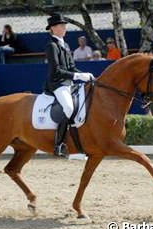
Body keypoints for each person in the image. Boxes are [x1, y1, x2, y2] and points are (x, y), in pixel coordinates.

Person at [44, 14, 95, 157]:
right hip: (57, 84)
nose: (64, 28)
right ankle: (58, 145)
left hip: (69, 83)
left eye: (64, 26)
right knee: (69, 107)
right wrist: (78, 76)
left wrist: (85, 75)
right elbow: (56, 71)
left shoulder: (64, 46)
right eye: (61, 26)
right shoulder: (52, 46)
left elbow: (71, 68)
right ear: (53, 28)